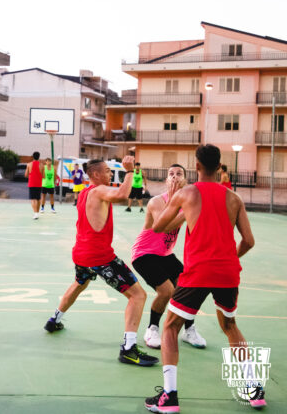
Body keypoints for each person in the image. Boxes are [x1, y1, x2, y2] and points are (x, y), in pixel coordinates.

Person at [144, 144, 265, 413]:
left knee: (170, 327)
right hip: (227, 272)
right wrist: (229, 257)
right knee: (230, 326)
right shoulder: (234, 198)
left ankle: (169, 397)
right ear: (220, 167)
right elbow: (248, 241)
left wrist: (179, 205)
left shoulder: (186, 193)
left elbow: (158, 226)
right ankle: (254, 389)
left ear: (196, 166)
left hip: (198, 272)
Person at [44, 156, 159, 368]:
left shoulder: (84, 193)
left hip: (81, 254)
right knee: (138, 296)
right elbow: (122, 194)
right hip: (99, 257)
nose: (110, 173)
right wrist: (130, 171)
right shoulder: (99, 190)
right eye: (107, 171)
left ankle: (54, 320)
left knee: (79, 283)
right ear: (95, 175)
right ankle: (128, 349)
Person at [132, 164, 206, 351]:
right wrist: (184, 211)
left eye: (179, 174)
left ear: (185, 180)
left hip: (165, 254)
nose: (174, 177)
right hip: (144, 253)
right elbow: (163, 227)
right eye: (170, 174)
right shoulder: (156, 202)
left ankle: (188, 330)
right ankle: (152, 329)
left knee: (188, 288)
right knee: (166, 291)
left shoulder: (188, 203)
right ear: (166, 180)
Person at [25, 152, 44, 220]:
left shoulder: (29, 164)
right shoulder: (42, 165)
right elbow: (43, 176)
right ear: (39, 157)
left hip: (32, 183)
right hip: (39, 184)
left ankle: (35, 213)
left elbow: (26, 175)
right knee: (38, 199)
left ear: (33, 156)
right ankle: (37, 213)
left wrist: (31, 175)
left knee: (33, 199)